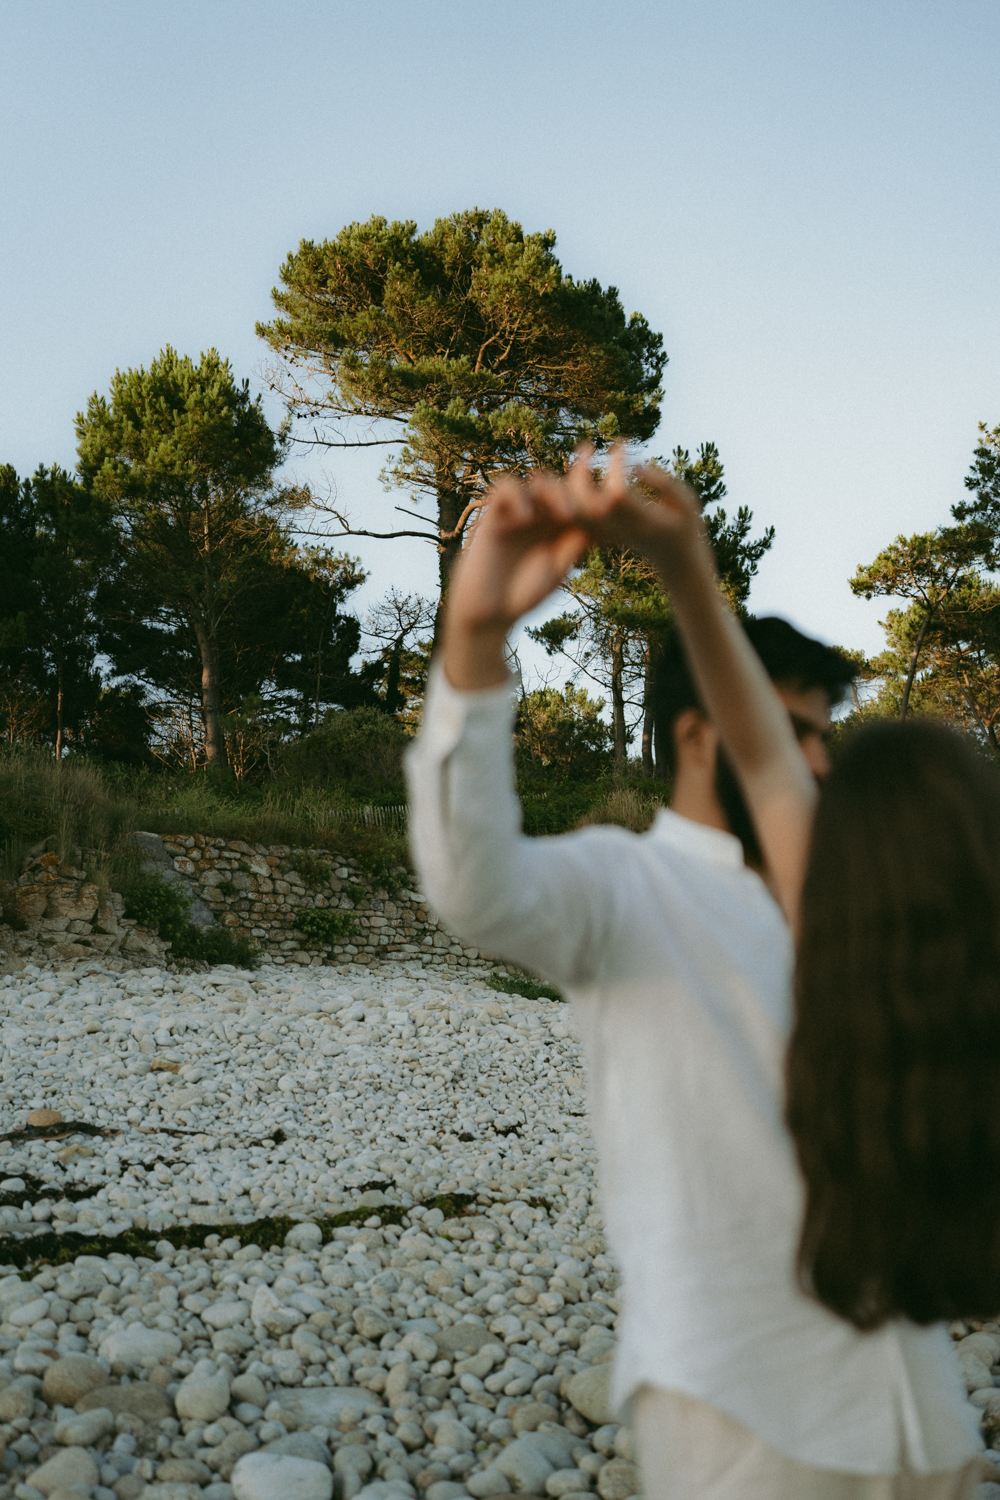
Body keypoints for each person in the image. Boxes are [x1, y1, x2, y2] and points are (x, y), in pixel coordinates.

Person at [405, 455, 982, 1499]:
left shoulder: (855, 894)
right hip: (743, 1411)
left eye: (826, 741)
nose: (816, 764)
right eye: (798, 734)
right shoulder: (623, 883)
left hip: (919, 1405)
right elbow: (473, 887)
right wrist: (475, 643)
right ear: (697, 731)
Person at [651, 616, 855, 864]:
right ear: (696, 737)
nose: (822, 766)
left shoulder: (826, 882)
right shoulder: (619, 871)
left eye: (822, 741)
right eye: (788, 734)